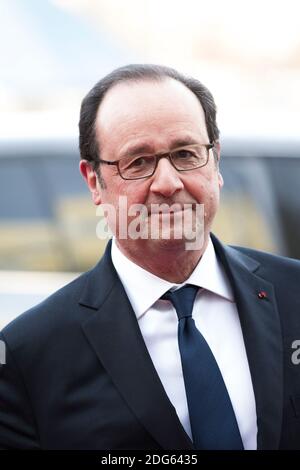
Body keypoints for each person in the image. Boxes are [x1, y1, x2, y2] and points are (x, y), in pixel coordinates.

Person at [0, 64, 300, 450]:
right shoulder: (30, 355)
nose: (168, 183)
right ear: (94, 182)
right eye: (138, 162)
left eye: (186, 154)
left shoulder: (293, 294)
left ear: (216, 163)